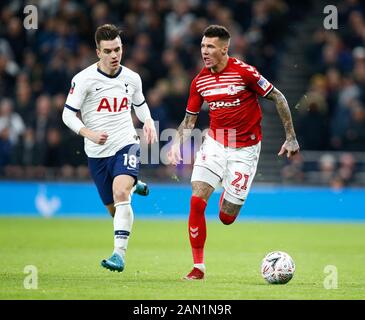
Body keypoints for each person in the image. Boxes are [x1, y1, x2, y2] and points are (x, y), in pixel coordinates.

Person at [167, 25, 300, 280]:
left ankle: (227, 190)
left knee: (226, 218)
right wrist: (176, 144)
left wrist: (291, 137)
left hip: (246, 150)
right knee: (196, 200)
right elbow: (189, 120)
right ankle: (198, 268)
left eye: (210, 47)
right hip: (216, 143)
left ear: (224, 49)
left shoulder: (244, 73)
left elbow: (279, 98)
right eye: (203, 46)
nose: (204, 52)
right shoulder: (199, 81)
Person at [62, 24, 157, 272]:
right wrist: (89, 133)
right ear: (98, 52)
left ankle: (119, 255)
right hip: (96, 154)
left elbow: (141, 104)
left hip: (126, 143)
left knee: (120, 192)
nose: (114, 55)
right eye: (108, 51)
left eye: (118, 49)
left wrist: (147, 121)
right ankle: (134, 185)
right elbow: (67, 115)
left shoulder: (132, 78)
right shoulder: (83, 80)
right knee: (114, 210)